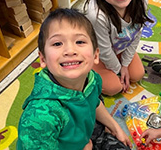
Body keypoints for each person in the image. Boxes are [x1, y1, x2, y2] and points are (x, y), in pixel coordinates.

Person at [17, 8, 132, 150]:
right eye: (57, 44)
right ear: (43, 59)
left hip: (83, 130)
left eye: (79, 42)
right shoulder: (40, 117)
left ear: (96, 55)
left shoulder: (92, 78)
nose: (70, 50)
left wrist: (115, 127)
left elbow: (94, 102)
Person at [84, 0, 153, 96]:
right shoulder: (96, 14)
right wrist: (118, 70)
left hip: (119, 47)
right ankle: (86, 71)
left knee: (137, 74)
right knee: (113, 88)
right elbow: (103, 50)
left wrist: (126, 64)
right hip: (97, 53)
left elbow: (136, 33)